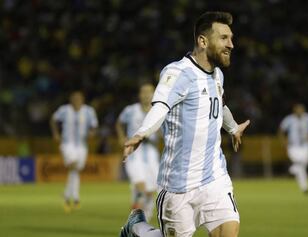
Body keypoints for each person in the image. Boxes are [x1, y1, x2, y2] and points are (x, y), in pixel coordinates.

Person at [119, 11, 250, 237]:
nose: (231, 44)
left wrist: (232, 127)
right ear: (202, 40)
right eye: (224, 38)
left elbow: (219, 104)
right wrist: (141, 133)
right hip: (177, 184)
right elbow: (159, 106)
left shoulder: (218, 76)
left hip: (214, 178)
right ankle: (138, 228)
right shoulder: (177, 72)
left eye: (231, 38)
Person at [116, 82, 160, 221]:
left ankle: (143, 218)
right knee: (141, 186)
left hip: (152, 153)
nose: (146, 95)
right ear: (139, 95)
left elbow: (163, 133)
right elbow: (119, 123)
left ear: (154, 94)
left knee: (150, 191)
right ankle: (136, 217)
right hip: (134, 154)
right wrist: (122, 137)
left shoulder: (158, 111)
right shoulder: (131, 110)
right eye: (144, 92)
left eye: (149, 92)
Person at [50, 91, 98, 212]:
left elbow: (94, 125)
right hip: (67, 144)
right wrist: (55, 133)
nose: (76, 101)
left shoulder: (89, 111)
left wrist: (92, 133)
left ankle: (67, 195)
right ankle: (75, 197)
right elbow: (53, 119)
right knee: (73, 166)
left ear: (82, 100)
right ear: (70, 100)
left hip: (82, 146)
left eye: (79, 99)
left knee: (75, 170)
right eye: (74, 98)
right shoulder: (64, 110)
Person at [278, 103, 308, 195]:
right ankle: (305, 188)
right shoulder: (289, 119)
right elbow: (281, 130)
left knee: (301, 166)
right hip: (293, 146)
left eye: (301, 109)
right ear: (295, 110)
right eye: (298, 109)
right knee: (301, 166)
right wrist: (283, 141)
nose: (300, 111)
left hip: (305, 146)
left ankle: (292, 169)